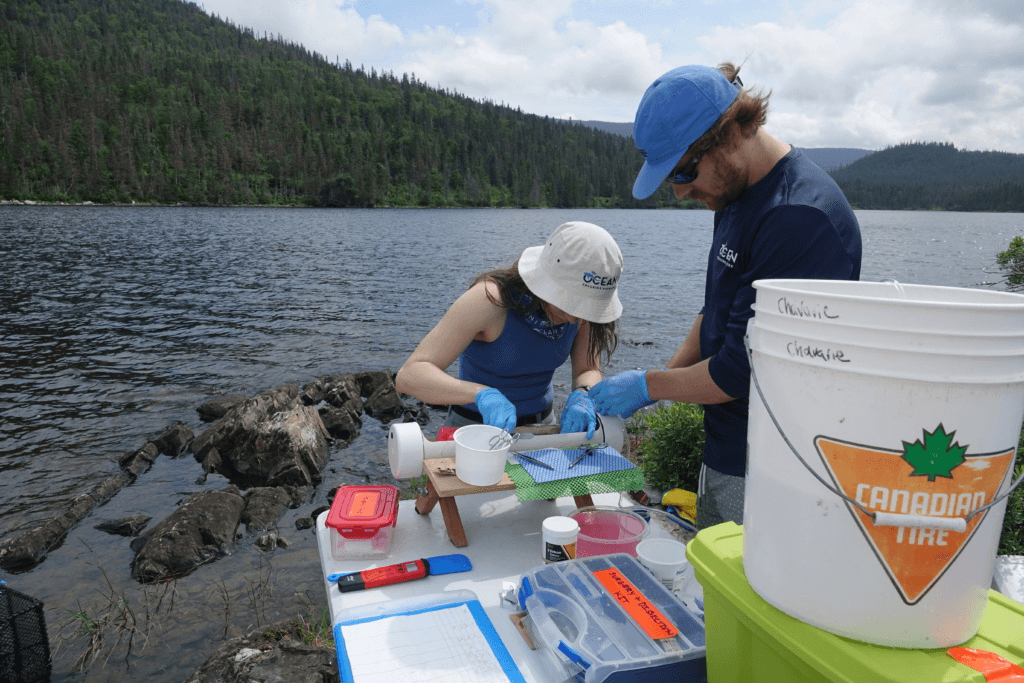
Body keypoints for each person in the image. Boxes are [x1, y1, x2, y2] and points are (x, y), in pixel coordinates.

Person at [589, 63, 862, 528]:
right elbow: (717, 307)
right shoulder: (736, 192)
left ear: (731, 132)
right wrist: (661, 380)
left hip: (773, 463)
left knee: (745, 572)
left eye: (684, 171)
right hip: (727, 446)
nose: (680, 192)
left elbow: (739, 371)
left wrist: (648, 385)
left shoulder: (799, 217)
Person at [395, 221, 623, 439]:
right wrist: (481, 394)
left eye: (585, 307)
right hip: (473, 430)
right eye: (571, 303)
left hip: (545, 429)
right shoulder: (489, 300)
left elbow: (587, 368)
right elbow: (410, 375)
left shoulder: (583, 315)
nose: (576, 318)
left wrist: (583, 393)